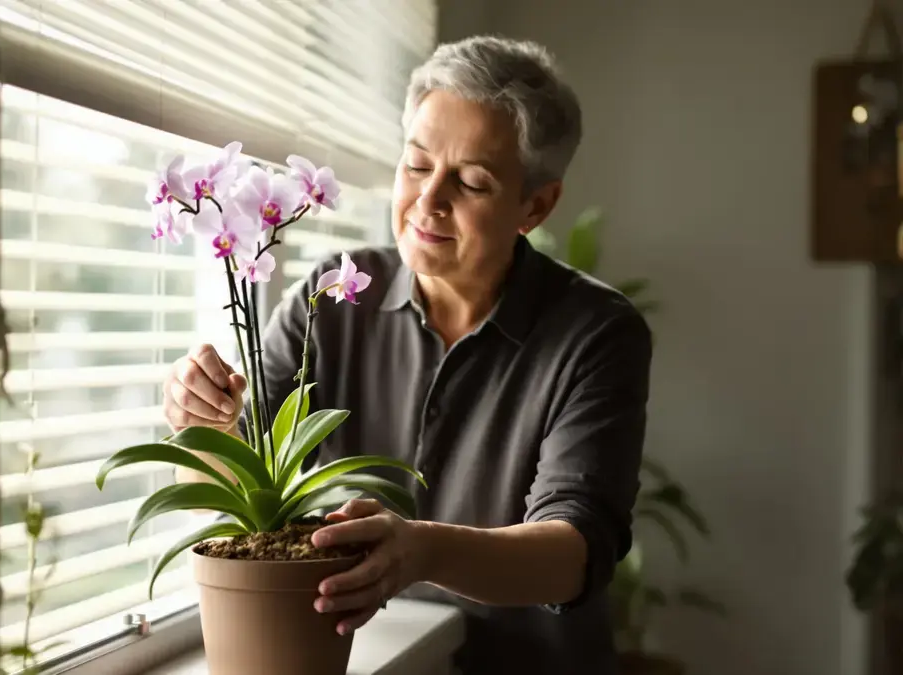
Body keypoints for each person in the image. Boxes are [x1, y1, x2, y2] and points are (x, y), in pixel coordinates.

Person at [163, 35, 651, 675]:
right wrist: (206, 424)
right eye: (417, 166)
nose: (429, 199)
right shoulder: (333, 297)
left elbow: (575, 551)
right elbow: (222, 499)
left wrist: (421, 551)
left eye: (472, 182)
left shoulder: (596, 334)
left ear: (535, 206)